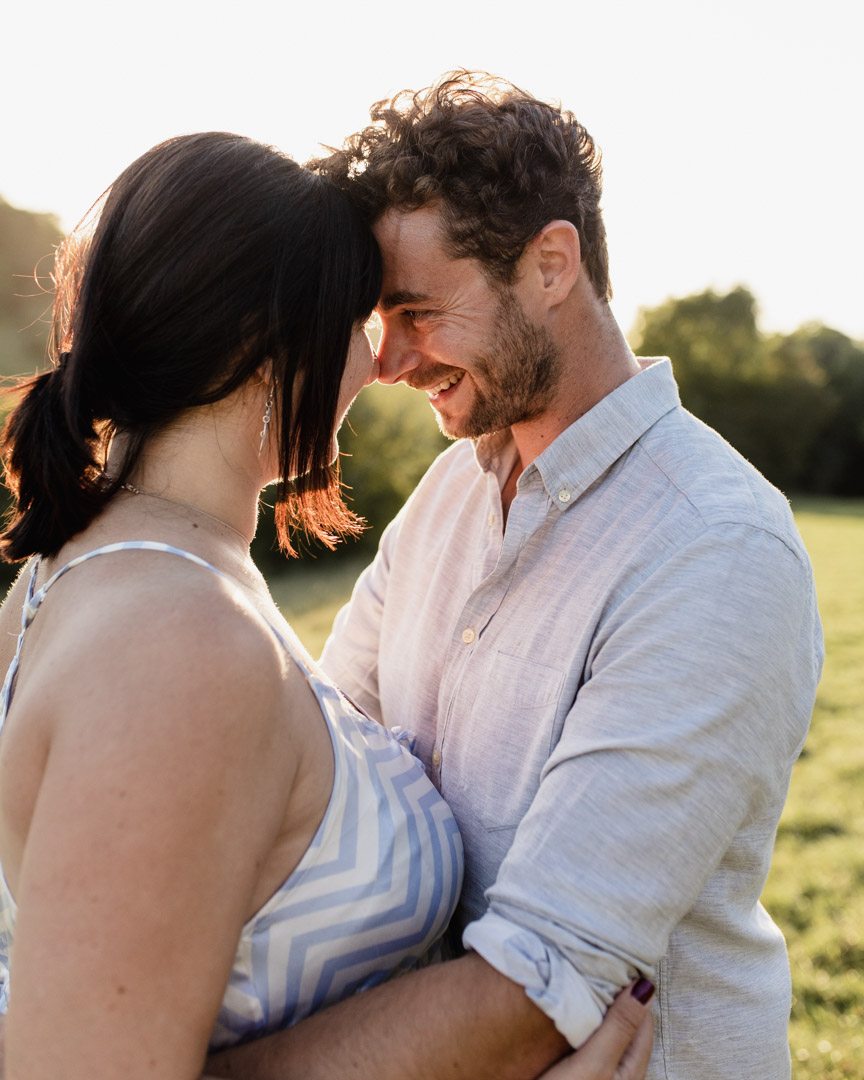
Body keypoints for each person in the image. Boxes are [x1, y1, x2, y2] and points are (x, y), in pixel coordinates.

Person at [207, 73, 823, 1079]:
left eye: (417, 312)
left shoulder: (716, 548)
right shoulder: (449, 496)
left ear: (549, 264)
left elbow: (540, 988)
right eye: (379, 319)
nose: (390, 362)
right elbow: (319, 783)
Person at [0, 131, 652, 1080]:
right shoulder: (177, 643)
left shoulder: (97, 572)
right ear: (261, 342)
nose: (382, 362)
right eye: (357, 320)